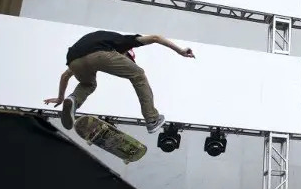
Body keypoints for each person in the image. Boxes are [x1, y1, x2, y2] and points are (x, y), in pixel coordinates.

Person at [43, 30, 195, 133]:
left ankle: (73, 100)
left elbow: (65, 76)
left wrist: (61, 98)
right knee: (138, 74)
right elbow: (155, 38)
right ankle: (152, 118)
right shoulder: (125, 42)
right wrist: (180, 50)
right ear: (126, 53)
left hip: (73, 60)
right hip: (100, 55)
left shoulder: (103, 40)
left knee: (88, 84)